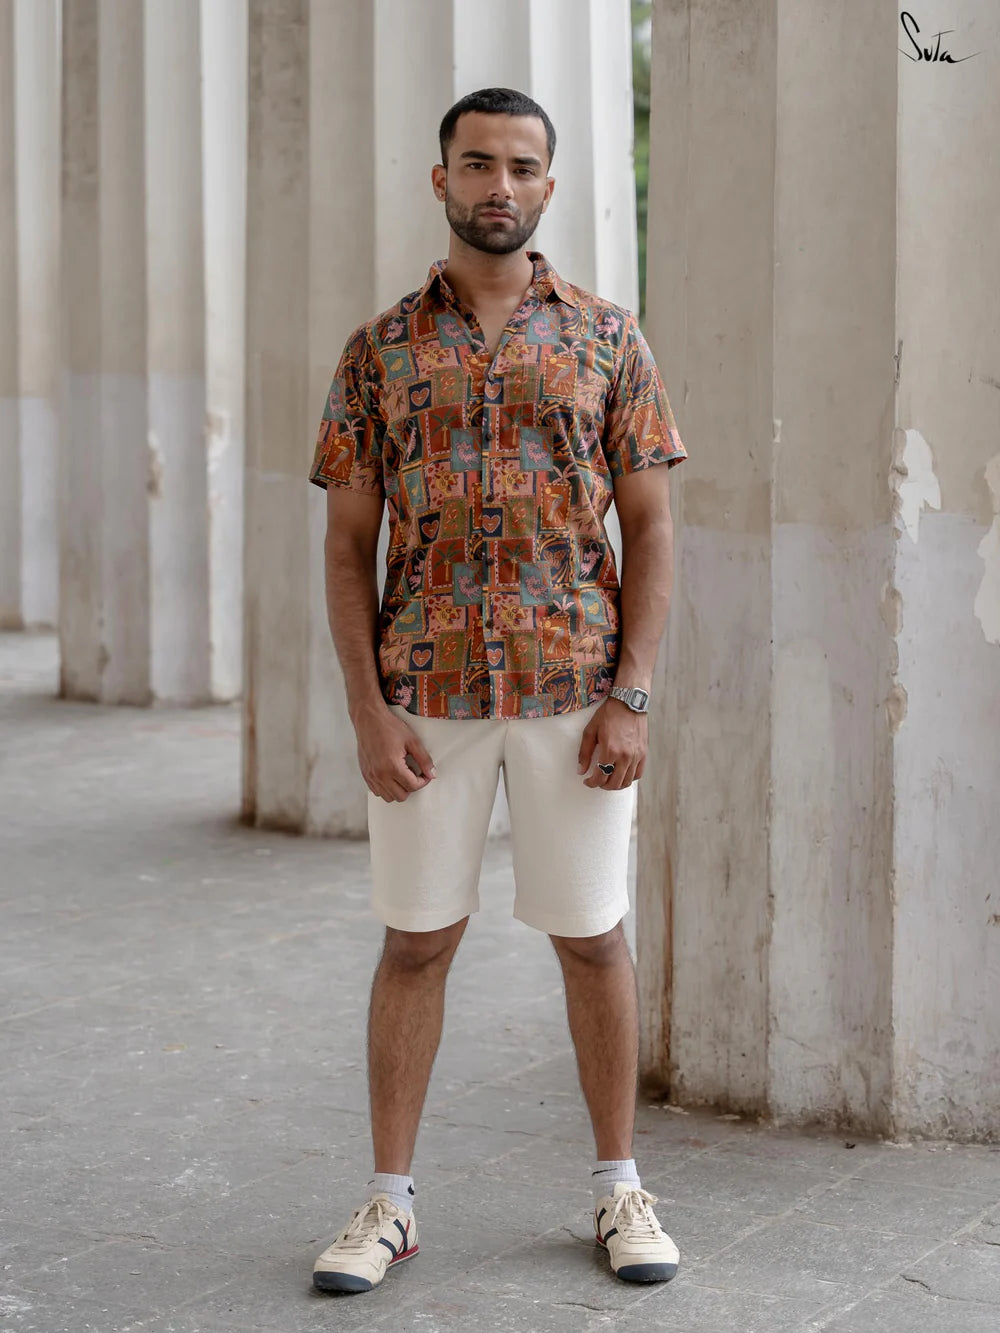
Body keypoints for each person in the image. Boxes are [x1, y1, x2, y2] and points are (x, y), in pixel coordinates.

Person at [308, 87, 686, 1295]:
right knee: (417, 940)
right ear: (441, 180)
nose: (499, 186)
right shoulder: (378, 350)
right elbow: (343, 545)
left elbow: (653, 527)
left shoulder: (608, 339)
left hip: (577, 688)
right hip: (426, 693)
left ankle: (618, 1187)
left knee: (593, 938)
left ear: (548, 186)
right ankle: (389, 1202)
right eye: (477, 164)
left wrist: (633, 691)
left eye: (521, 166)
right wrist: (367, 709)